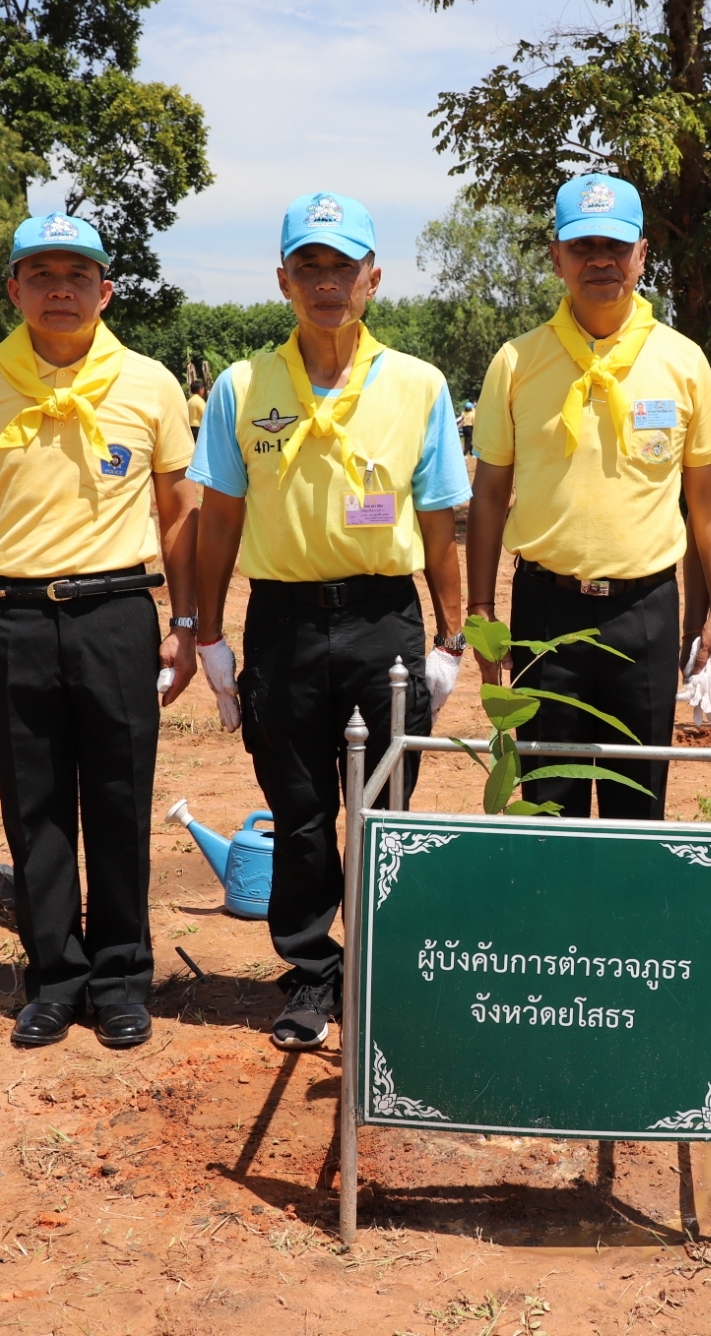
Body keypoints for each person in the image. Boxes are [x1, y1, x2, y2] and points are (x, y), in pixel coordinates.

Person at [190, 192, 470, 1051]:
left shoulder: (418, 385)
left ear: (373, 279)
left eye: (342, 266)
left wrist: (450, 639)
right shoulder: (242, 387)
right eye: (308, 266)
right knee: (301, 807)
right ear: (282, 279)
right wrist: (208, 634)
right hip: (282, 623)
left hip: (384, 620)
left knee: (387, 806)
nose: (325, 283)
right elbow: (219, 518)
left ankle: (388, 969)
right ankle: (312, 971)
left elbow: (438, 520)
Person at [0, 213, 199, 1051]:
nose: (61, 290)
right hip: (14, 619)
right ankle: (53, 979)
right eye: (41, 274)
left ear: (106, 290)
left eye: (78, 274)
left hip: (118, 613)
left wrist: (185, 623)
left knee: (118, 801)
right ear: (14, 289)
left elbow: (179, 508)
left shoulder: (149, 384)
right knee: (34, 807)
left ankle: (118, 979)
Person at [466, 174, 711, 817]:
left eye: (615, 246)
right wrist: (480, 610)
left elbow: (707, 501)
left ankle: (628, 920)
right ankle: (550, 919)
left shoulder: (684, 362)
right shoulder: (516, 362)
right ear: (556, 257)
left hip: (643, 613)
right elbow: (489, 493)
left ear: (642, 255)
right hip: (543, 611)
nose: (600, 262)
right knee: (546, 798)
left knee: (636, 804)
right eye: (582, 247)